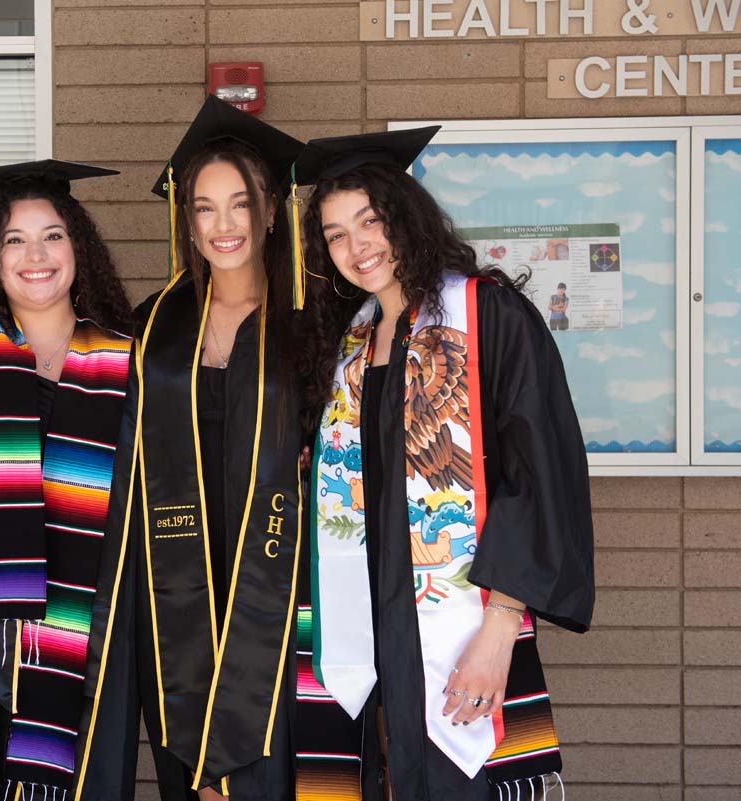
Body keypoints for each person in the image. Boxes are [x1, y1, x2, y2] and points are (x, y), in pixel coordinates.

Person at [294, 128, 595, 800]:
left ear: (406, 217)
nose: (357, 246)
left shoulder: (486, 315)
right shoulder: (350, 345)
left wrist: (501, 628)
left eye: (370, 221)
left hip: (463, 626)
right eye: (337, 233)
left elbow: (537, 472)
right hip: (366, 637)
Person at [80, 96, 308, 801]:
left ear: (272, 210)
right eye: (204, 208)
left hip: (284, 580)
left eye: (240, 204)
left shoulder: (314, 317)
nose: (224, 225)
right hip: (177, 584)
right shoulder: (158, 322)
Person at [0, 160, 136, 801]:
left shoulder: (132, 358)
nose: (35, 255)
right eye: (14, 240)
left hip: (93, 631)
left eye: (52, 235)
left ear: (80, 248)